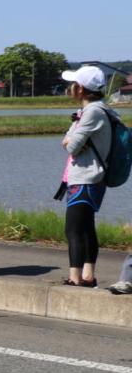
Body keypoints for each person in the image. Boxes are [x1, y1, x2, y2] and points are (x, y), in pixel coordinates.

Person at [58, 65, 116, 288]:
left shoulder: (92, 112)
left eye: (72, 84)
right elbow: (72, 141)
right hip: (93, 177)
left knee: (73, 229)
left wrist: (70, 142)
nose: (69, 88)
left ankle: (75, 277)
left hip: (85, 177)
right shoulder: (98, 110)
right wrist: (72, 140)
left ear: (80, 88)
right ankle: (88, 275)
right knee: (86, 227)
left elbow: (71, 145)